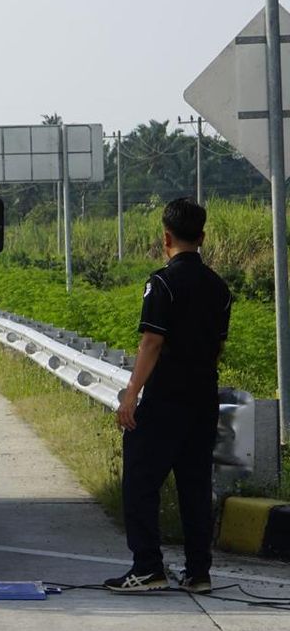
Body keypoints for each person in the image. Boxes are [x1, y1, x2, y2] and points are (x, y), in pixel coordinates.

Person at [104, 198, 231, 595]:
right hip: (203, 398)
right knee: (194, 485)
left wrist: (130, 396)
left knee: (140, 483)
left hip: (165, 400)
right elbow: (218, 346)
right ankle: (198, 572)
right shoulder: (220, 288)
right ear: (203, 237)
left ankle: (148, 567)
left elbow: (151, 342)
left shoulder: (161, 283)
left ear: (166, 238)